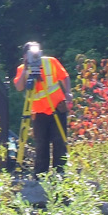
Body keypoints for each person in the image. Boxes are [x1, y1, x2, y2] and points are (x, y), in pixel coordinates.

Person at [14, 41, 72, 176]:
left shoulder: (51, 62)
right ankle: (41, 174)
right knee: (41, 144)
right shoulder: (22, 69)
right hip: (39, 113)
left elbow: (65, 76)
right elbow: (19, 87)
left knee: (59, 142)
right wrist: (26, 69)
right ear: (25, 55)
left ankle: (60, 173)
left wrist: (68, 92)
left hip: (57, 108)